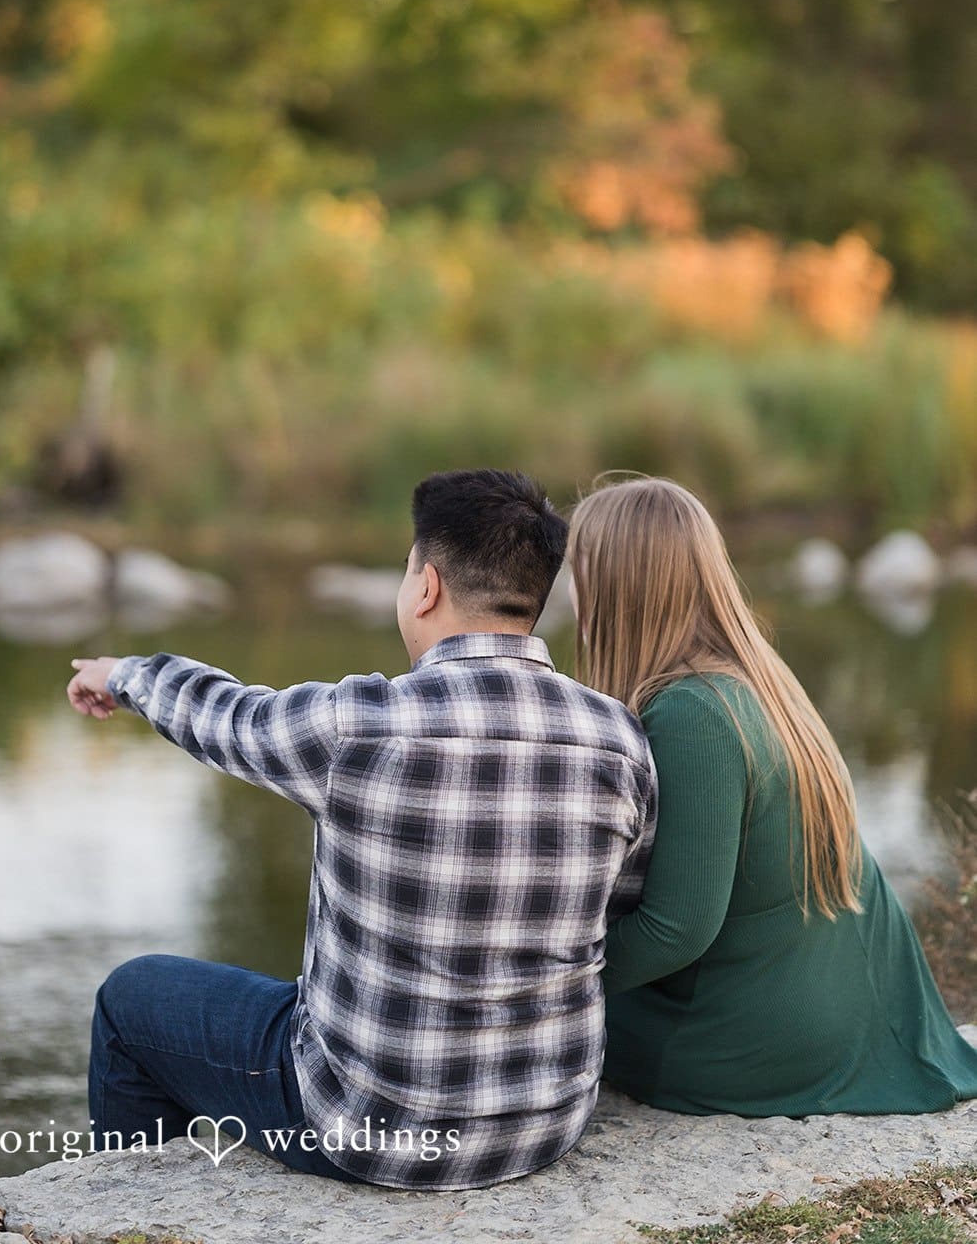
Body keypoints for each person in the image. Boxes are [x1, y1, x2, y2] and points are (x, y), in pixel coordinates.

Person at [67, 468, 657, 1190]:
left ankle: (127, 1213)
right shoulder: (618, 738)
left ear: (425, 587)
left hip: (369, 1127)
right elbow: (618, 906)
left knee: (131, 1001)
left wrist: (122, 673)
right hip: (542, 1125)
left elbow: (226, 716)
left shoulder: (359, 726)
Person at [567, 473, 977, 1117]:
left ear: (621, 587)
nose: (573, 596)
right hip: (844, 1002)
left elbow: (678, 930)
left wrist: (553, 979)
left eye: (580, 574)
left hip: (762, 1040)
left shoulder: (693, 716)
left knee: (539, 1025)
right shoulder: (755, 676)